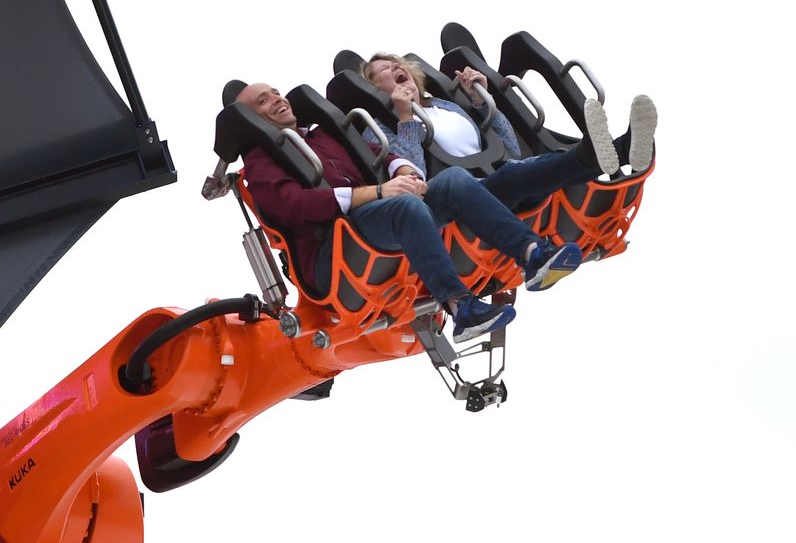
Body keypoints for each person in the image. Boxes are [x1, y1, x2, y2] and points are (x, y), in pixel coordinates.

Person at [234, 81, 584, 342]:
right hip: (336, 248)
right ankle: (461, 307)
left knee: (453, 180)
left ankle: (533, 253)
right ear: (250, 119)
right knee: (406, 205)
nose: (277, 99)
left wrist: (403, 171)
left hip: (380, 217)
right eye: (263, 101)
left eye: (276, 93)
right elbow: (293, 205)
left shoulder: (321, 134)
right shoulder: (261, 161)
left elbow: (379, 154)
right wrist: (379, 191)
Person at [358, 52, 658, 216]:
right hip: (461, 199)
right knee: (522, 173)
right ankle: (607, 152)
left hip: (503, 179)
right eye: (384, 68)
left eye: (396, 63)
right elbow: (415, 179)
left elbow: (509, 149)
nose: (394, 66)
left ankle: (624, 148)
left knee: (539, 163)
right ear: (374, 88)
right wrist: (406, 117)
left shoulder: (444, 105)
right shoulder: (380, 131)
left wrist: (481, 101)